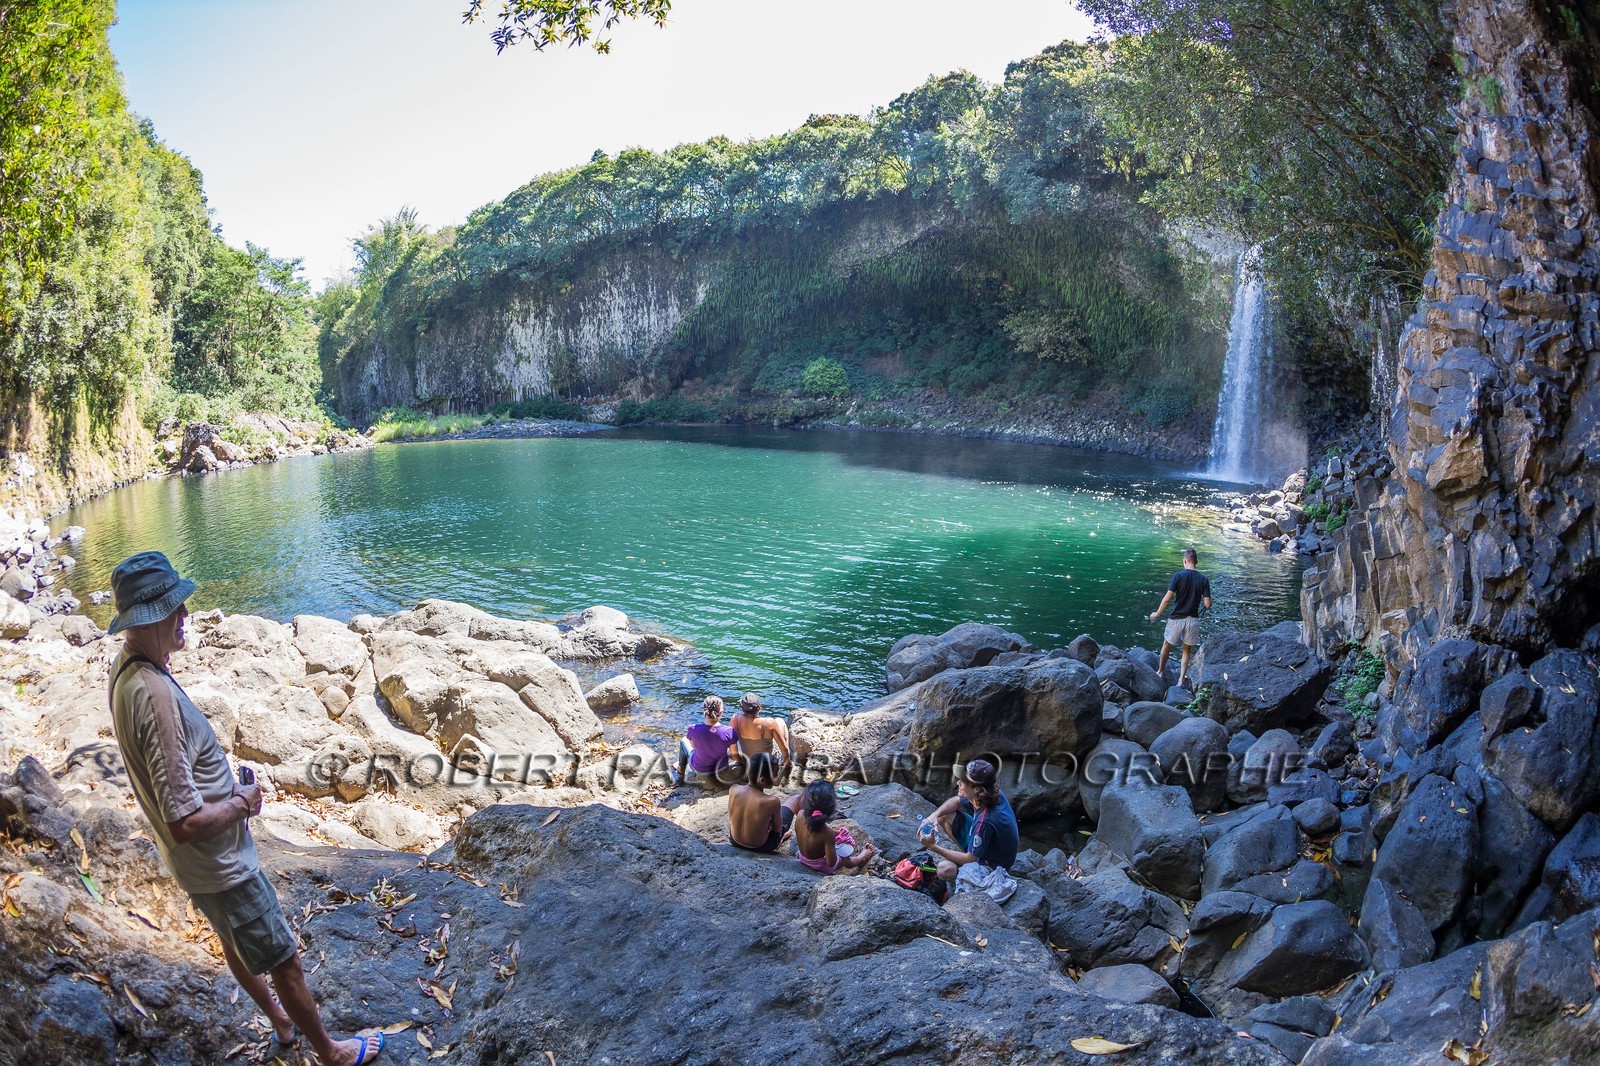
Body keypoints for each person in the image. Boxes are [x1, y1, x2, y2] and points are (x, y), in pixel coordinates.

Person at [105, 552, 382, 1066]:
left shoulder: (126, 670)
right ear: (147, 618)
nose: (185, 615)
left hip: (195, 867)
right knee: (284, 958)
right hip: (222, 867)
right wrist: (242, 802)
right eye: (173, 608)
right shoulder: (156, 696)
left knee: (234, 940)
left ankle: (281, 1023)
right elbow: (184, 822)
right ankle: (331, 1053)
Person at [917, 759, 1019, 883]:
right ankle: (964, 853)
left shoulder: (985, 821)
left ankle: (963, 866)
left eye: (963, 781)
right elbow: (956, 801)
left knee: (944, 870)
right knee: (943, 816)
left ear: (976, 789)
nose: (958, 782)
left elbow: (971, 859)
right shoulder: (988, 792)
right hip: (990, 844)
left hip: (993, 865)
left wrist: (933, 846)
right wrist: (934, 815)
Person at [1148, 547, 1213, 689]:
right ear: (1196, 562)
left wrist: (1157, 614)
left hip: (1176, 618)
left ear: (1185, 561)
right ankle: (1181, 681)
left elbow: (1167, 599)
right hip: (1192, 620)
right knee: (1186, 650)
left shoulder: (1178, 576)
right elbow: (1207, 604)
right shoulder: (1204, 579)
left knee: (1167, 645)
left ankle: (1160, 672)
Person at [792, 780, 875, 874]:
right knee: (844, 860)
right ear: (831, 809)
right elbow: (831, 862)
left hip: (802, 857)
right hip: (820, 867)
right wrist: (833, 847)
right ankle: (860, 859)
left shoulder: (800, 814)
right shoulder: (827, 834)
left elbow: (809, 832)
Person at [727, 753, 798, 852]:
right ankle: (784, 840)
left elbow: (731, 817)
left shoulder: (734, 789)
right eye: (775, 774)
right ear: (763, 780)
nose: (777, 777)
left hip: (735, 841)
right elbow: (777, 829)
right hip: (762, 847)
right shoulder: (772, 801)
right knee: (795, 800)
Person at [672, 695, 739, 786]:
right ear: (721, 713)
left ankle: (681, 768)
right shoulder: (729, 731)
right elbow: (734, 756)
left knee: (684, 740)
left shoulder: (693, 729)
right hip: (721, 768)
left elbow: (693, 746)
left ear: (704, 711)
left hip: (701, 770)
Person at [731, 692, 791, 771]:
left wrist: (740, 761)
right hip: (767, 763)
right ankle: (786, 760)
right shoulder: (769, 723)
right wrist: (788, 762)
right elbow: (783, 748)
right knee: (780, 721)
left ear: (742, 708)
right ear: (759, 708)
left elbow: (733, 751)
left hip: (749, 762)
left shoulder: (735, 720)